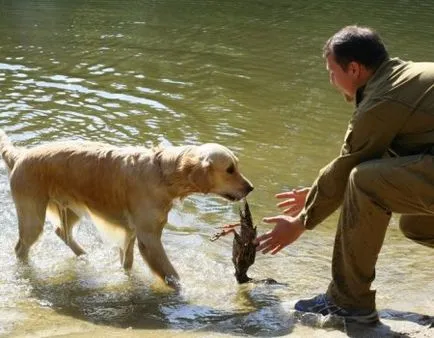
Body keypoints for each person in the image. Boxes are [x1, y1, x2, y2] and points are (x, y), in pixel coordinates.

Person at [255, 25, 434, 325]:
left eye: (331, 71)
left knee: (365, 183)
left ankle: (348, 302)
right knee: (418, 222)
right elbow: (371, 155)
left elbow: (350, 166)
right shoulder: (404, 79)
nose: (331, 80)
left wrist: (301, 223)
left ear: (353, 69)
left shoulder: (382, 101)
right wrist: (316, 192)